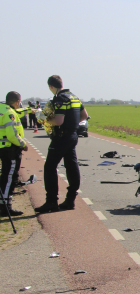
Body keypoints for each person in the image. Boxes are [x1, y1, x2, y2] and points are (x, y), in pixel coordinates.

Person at [34, 76, 88, 213]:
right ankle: (70, 200)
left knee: (50, 167)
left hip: (61, 137)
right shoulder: (74, 97)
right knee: (71, 166)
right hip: (72, 136)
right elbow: (84, 115)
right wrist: (72, 124)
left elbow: (58, 121)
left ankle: (51, 201)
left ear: (51, 86)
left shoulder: (60, 98)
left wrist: (44, 118)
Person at [0, 91, 29, 216]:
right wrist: (23, 144)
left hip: (2, 147)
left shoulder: (2, 109)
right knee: (10, 177)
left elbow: (20, 112)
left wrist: (30, 110)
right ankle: (5, 206)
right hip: (9, 149)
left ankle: (3, 203)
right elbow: (12, 135)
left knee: (5, 176)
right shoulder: (10, 113)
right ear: (17, 102)